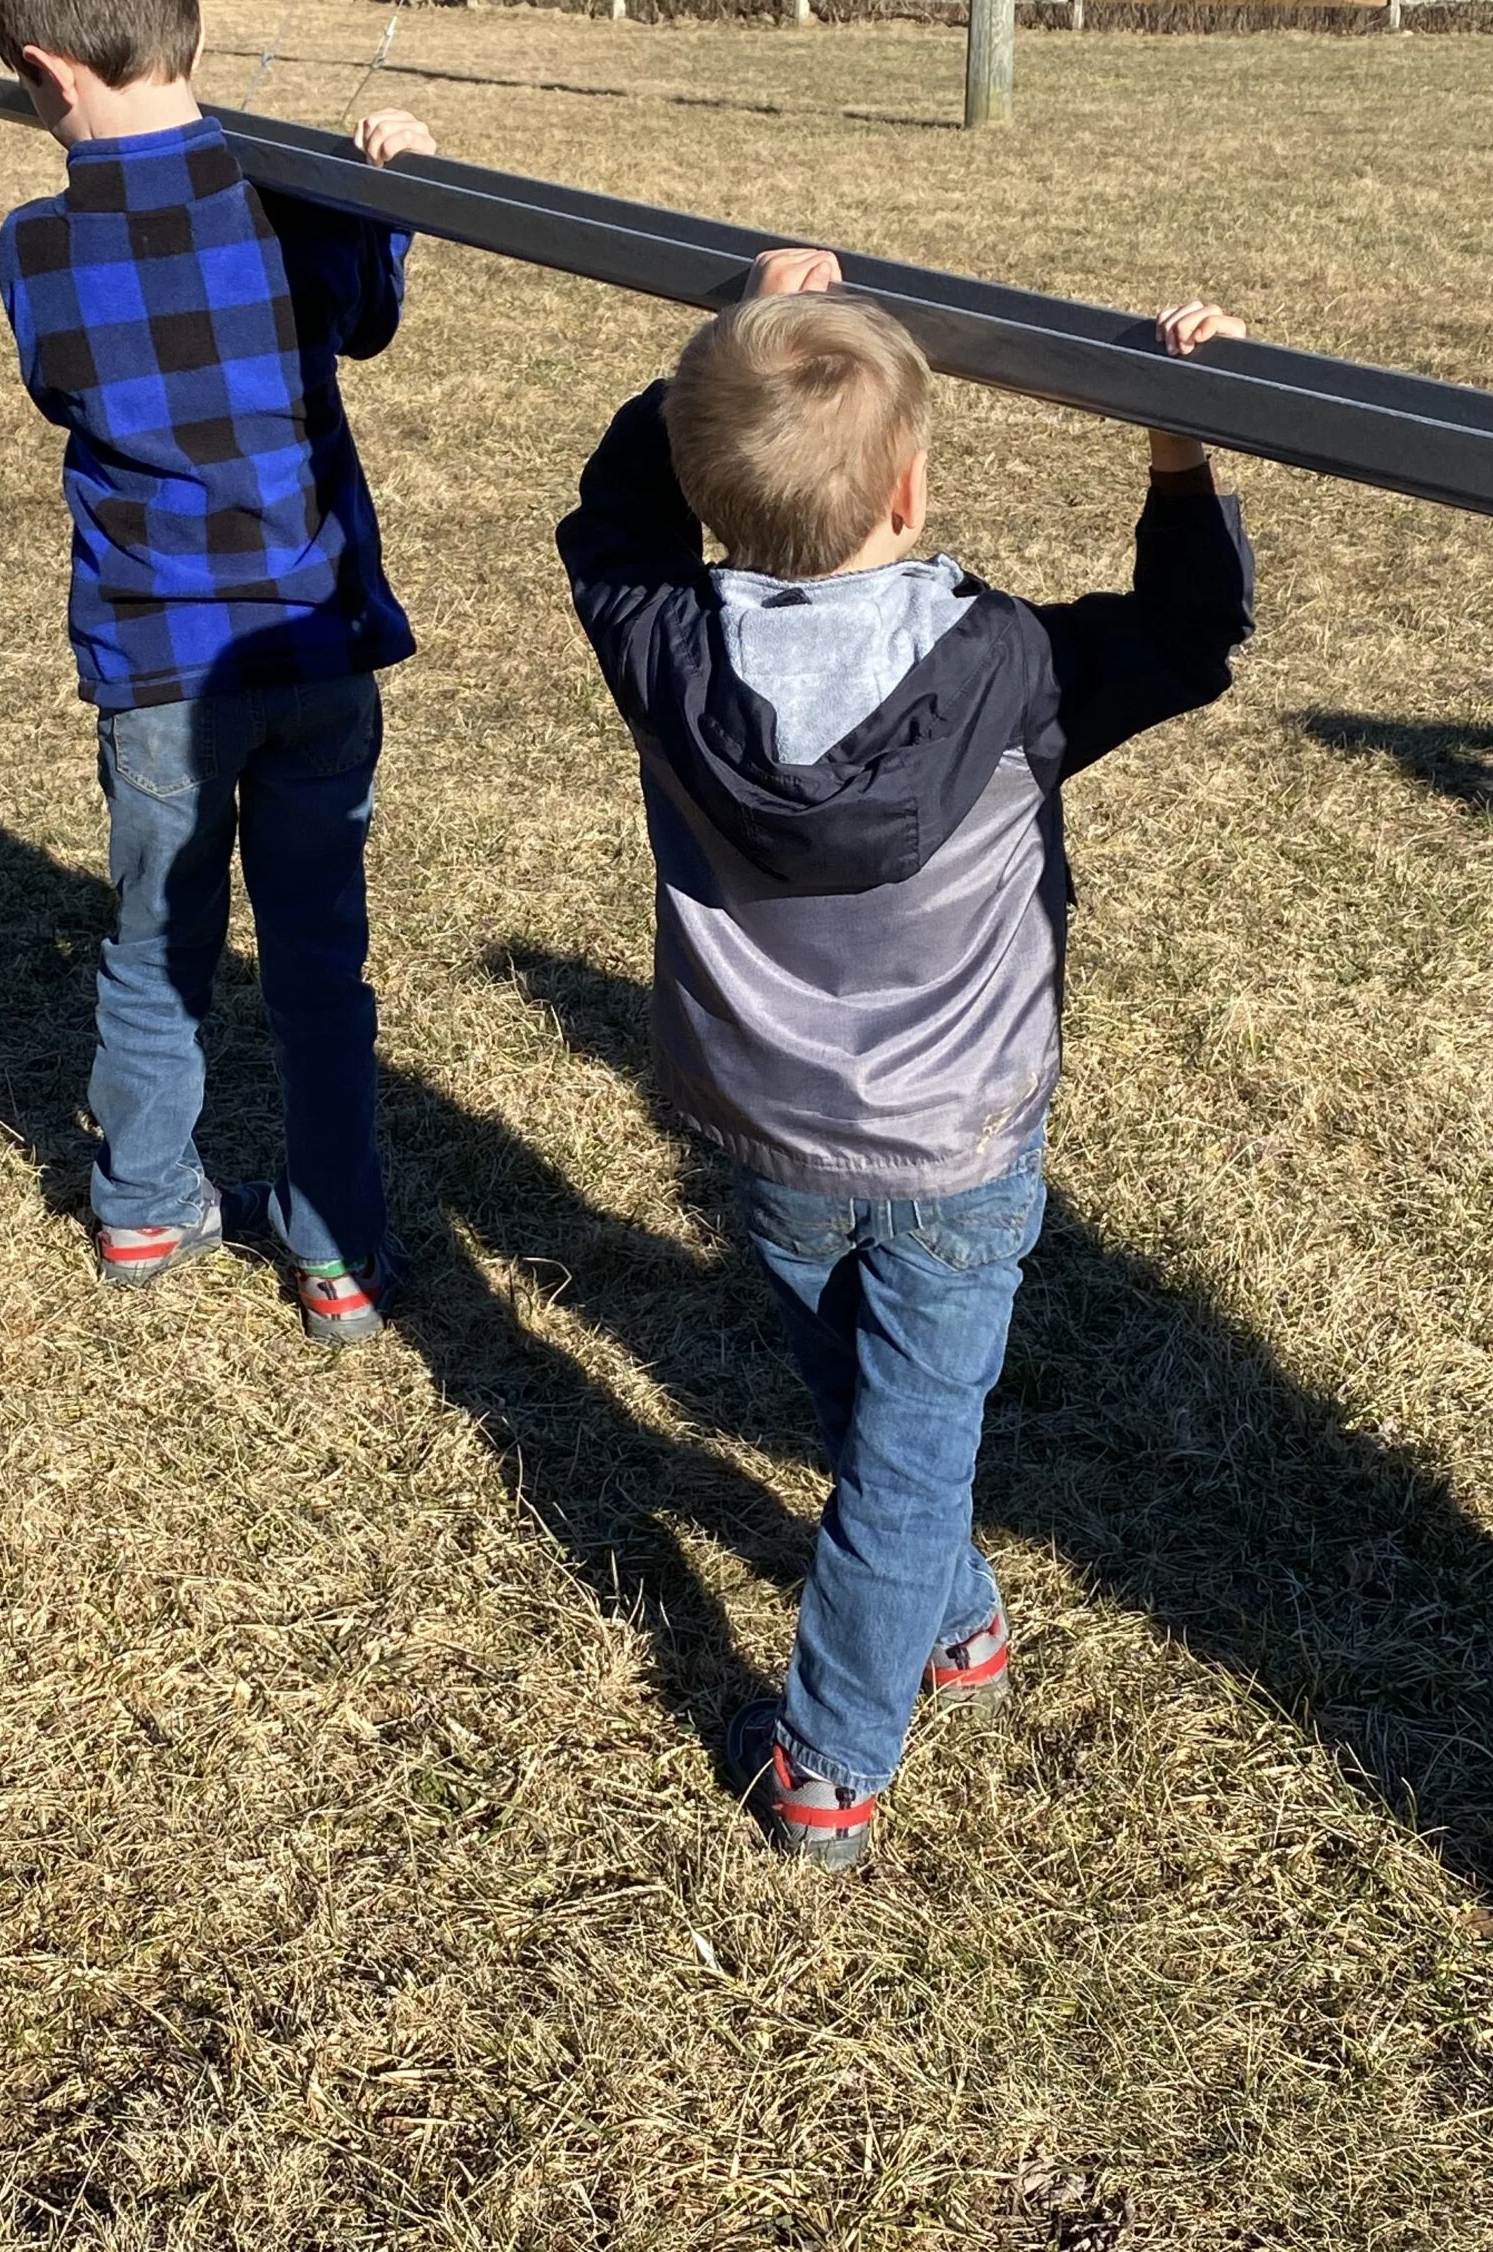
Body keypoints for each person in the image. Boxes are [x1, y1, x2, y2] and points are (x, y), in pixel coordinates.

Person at [556, 249, 1253, 1870]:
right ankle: (830, 1764)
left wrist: (730, 343)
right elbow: (1191, 630)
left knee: (871, 1406)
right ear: (915, 489)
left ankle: (958, 1625)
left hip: (754, 1120)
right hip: (956, 1139)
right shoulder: (1004, 667)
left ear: (710, 483)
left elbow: (614, 512)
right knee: (905, 1447)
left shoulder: (661, 642)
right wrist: (1177, 436)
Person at [0, 0, 434, 1343]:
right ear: (183, 27)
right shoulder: (296, 204)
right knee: (318, 954)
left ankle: (143, 1206)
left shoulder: (39, 250)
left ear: (52, 71)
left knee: (156, 942)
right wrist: (389, 192)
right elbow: (365, 319)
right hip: (314, 649)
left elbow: (63, 376)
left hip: (160, 674)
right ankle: (338, 1253)